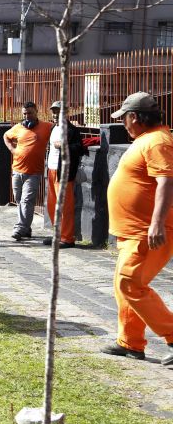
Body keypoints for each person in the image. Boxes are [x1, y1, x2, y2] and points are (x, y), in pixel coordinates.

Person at [100, 92, 173, 365]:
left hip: (147, 231)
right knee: (125, 285)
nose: (123, 123)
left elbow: (167, 181)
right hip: (134, 231)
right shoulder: (148, 139)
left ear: (134, 117)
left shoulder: (157, 141)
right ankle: (130, 342)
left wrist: (156, 223)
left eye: (124, 118)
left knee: (129, 283)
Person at [3, 101, 54, 240]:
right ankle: (26, 228)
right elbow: (6, 136)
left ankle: (20, 228)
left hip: (34, 172)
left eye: (30, 113)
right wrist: (12, 149)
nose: (27, 116)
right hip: (17, 170)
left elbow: (59, 130)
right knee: (20, 200)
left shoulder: (47, 127)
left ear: (37, 111)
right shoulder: (18, 127)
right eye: (25, 114)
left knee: (27, 200)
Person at [44, 101, 87, 249]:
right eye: (54, 112)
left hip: (63, 172)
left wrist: (64, 146)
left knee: (64, 207)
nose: (56, 115)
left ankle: (67, 238)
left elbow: (80, 148)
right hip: (51, 170)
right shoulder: (53, 128)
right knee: (51, 205)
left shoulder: (72, 130)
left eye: (59, 112)